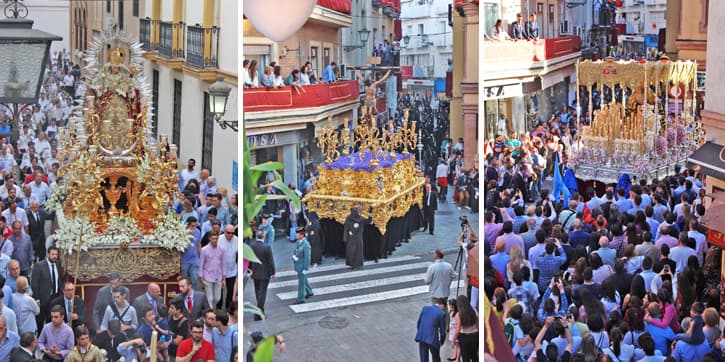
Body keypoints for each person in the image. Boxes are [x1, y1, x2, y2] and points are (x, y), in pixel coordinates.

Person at [30, 246, 62, 327]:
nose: (55, 256)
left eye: (56, 254)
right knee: (40, 322)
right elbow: (34, 283)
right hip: (42, 299)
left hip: (54, 298)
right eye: (52, 254)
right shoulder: (39, 265)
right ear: (48, 254)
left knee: (51, 322)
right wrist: (37, 298)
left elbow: (58, 280)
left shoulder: (58, 264)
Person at [249, 229, 275, 320]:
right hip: (265, 273)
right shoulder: (267, 247)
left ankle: (260, 311)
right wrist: (273, 272)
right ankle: (258, 313)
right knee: (262, 293)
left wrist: (249, 270)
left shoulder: (252, 246)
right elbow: (270, 261)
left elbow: (249, 259)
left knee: (258, 292)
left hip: (255, 272)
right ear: (263, 236)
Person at [199, 231, 225, 309]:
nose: (215, 240)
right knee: (209, 298)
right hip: (207, 276)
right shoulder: (204, 250)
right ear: (209, 239)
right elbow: (201, 264)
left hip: (218, 276)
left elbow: (223, 264)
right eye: (213, 238)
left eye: (216, 239)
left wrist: (224, 278)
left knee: (218, 298)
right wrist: (201, 278)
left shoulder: (222, 249)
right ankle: (211, 313)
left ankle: (211, 308)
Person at [292, 227, 313, 304]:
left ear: (302, 235)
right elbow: (296, 250)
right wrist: (295, 256)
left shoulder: (306, 245)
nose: (296, 235)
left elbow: (308, 257)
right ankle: (309, 292)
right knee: (304, 280)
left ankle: (301, 298)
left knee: (301, 283)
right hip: (298, 265)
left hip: (302, 267)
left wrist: (306, 268)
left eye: (297, 234)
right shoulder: (299, 242)